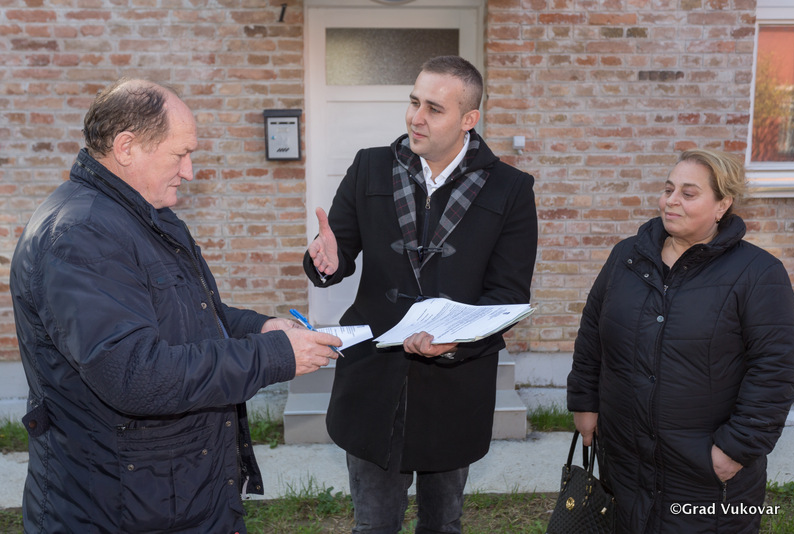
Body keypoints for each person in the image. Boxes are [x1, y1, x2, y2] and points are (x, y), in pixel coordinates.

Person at [9, 78, 341, 533]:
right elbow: (135, 375)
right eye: (180, 154)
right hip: (118, 508)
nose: (189, 171)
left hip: (167, 494)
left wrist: (262, 328)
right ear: (127, 147)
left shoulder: (141, 216)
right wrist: (275, 356)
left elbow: (192, 314)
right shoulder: (82, 235)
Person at [303, 55, 538, 533]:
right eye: (414, 102)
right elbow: (336, 253)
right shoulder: (370, 167)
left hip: (454, 389)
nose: (416, 117)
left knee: (442, 525)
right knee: (373, 526)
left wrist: (455, 342)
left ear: (469, 119)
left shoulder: (511, 189)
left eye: (434, 108)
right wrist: (324, 260)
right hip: (373, 379)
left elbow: (506, 295)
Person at [567, 148, 794, 533]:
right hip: (624, 463)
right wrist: (584, 402)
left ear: (722, 204)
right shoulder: (627, 258)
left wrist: (735, 449)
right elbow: (592, 333)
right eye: (668, 189)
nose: (671, 200)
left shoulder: (758, 274)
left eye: (688, 193)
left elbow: (777, 369)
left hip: (704, 476)